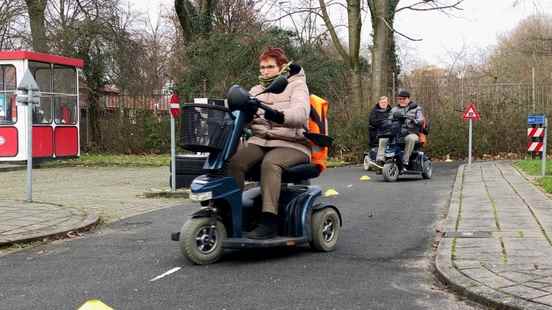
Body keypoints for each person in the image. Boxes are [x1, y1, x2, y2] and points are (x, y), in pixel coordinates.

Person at [227, 47, 310, 239]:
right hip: (261, 140)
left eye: (270, 67)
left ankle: (269, 220)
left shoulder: (296, 85)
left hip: (292, 142)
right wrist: (242, 113)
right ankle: (232, 212)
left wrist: (279, 115)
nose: (265, 71)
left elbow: (301, 113)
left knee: (270, 164)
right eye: (262, 67)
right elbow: (245, 118)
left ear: (282, 67)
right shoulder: (256, 90)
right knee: (235, 162)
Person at [390, 90, 424, 166]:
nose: (401, 100)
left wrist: (413, 120)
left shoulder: (416, 108)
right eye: (400, 99)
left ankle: (405, 160)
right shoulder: (394, 109)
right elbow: (388, 121)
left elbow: (421, 120)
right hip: (398, 133)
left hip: (412, 133)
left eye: (404, 99)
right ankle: (382, 160)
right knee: (384, 137)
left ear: (408, 99)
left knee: (410, 138)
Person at [369, 96, 392, 164]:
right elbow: (372, 121)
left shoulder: (391, 110)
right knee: (383, 140)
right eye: (382, 102)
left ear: (387, 103)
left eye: (385, 102)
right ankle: (380, 159)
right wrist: (383, 122)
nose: (383, 104)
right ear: (379, 102)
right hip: (378, 131)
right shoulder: (374, 111)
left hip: (390, 131)